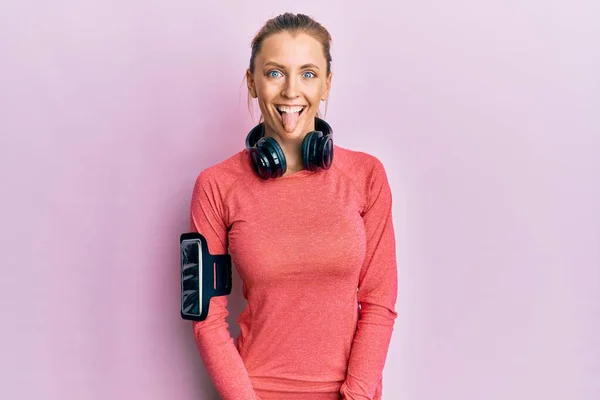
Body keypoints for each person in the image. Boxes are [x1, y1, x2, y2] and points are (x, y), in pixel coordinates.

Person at [188, 12, 398, 400]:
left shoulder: (367, 176)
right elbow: (206, 318)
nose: (291, 91)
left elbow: (379, 302)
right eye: (274, 73)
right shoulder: (216, 186)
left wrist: (355, 395)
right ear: (252, 83)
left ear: (326, 85)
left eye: (307, 73)